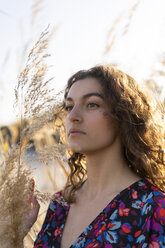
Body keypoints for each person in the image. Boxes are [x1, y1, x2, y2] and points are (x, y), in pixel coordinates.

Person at [26, 65, 165, 247]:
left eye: (92, 104)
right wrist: (13, 233)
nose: (73, 116)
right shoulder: (60, 204)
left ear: (123, 116)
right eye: (69, 106)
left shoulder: (154, 207)